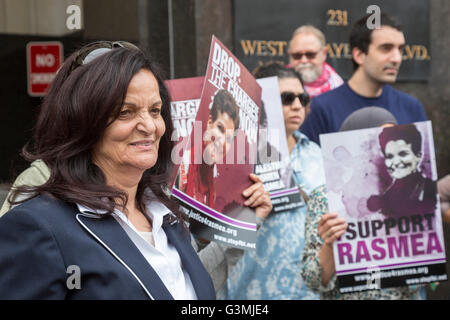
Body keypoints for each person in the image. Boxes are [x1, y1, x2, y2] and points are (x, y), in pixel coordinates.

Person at [0, 41, 217, 300]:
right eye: (126, 112)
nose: (149, 125)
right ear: (83, 123)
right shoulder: (37, 227)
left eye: (155, 111)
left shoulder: (168, 216)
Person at [224, 62, 325, 300]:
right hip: (251, 291)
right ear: (262, 102)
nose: (297, 105)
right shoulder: (236, 155)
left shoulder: (317, 154)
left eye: (303, 98)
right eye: (287, 98)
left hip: (306, 291)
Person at [302, 108, 422, 299]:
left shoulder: (411, 193)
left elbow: (421, 277)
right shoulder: (326, 198)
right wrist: (331, 244)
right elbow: (314, 280)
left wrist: (429, 261)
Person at [300, 13, 427, 145]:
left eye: (400, 49)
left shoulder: (412, 108)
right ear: (359, 55)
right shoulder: (322, 109)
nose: (396, 58)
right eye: (386, 48)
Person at [178, 89, 240, 208]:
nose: (222, 141)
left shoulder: (214, 177)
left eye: (229, 139)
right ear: (209, 122)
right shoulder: (182, 166)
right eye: (220, 129)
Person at [367, 124, 437, 217]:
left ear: (418, 156)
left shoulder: (430, 189)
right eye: (390, 156)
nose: (396, 162)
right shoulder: (387, 197)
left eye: (403, 154)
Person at [287, 25, 343, 100]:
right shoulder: (278, 86)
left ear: (324, 53)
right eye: (297, 55)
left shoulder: (338, 88)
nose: (304, 60)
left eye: (310, 54)